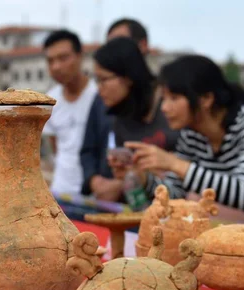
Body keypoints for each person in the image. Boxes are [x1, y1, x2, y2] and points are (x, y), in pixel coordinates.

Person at [116, 55, 244, 230]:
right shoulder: (192, 134)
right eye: (164, 99)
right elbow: (175, 194)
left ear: (206, 99)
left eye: (173, 98)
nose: (164, 107)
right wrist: (142, 178)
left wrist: (173, 163)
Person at [90, 37, 179, 204]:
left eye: (103, 80)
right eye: (97, 80)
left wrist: (154, 167)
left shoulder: (171, 105)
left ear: (128, 77)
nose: (99, 88)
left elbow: (191, 167)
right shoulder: (120, 120)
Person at [80, 18, 151, 201]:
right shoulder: (113, 109)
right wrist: (96, 182)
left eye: (103, 80)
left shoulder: (167, 104)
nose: (100, 88)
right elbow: (88, 149)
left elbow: (179, 172)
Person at [42, 30, 98, 195]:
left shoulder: (100, 96)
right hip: (61, 192)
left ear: (80, 56)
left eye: (63, 58)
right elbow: (55, 148)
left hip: (95, 195)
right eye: (50, 61)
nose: (56, 66)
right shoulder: (50, 100)